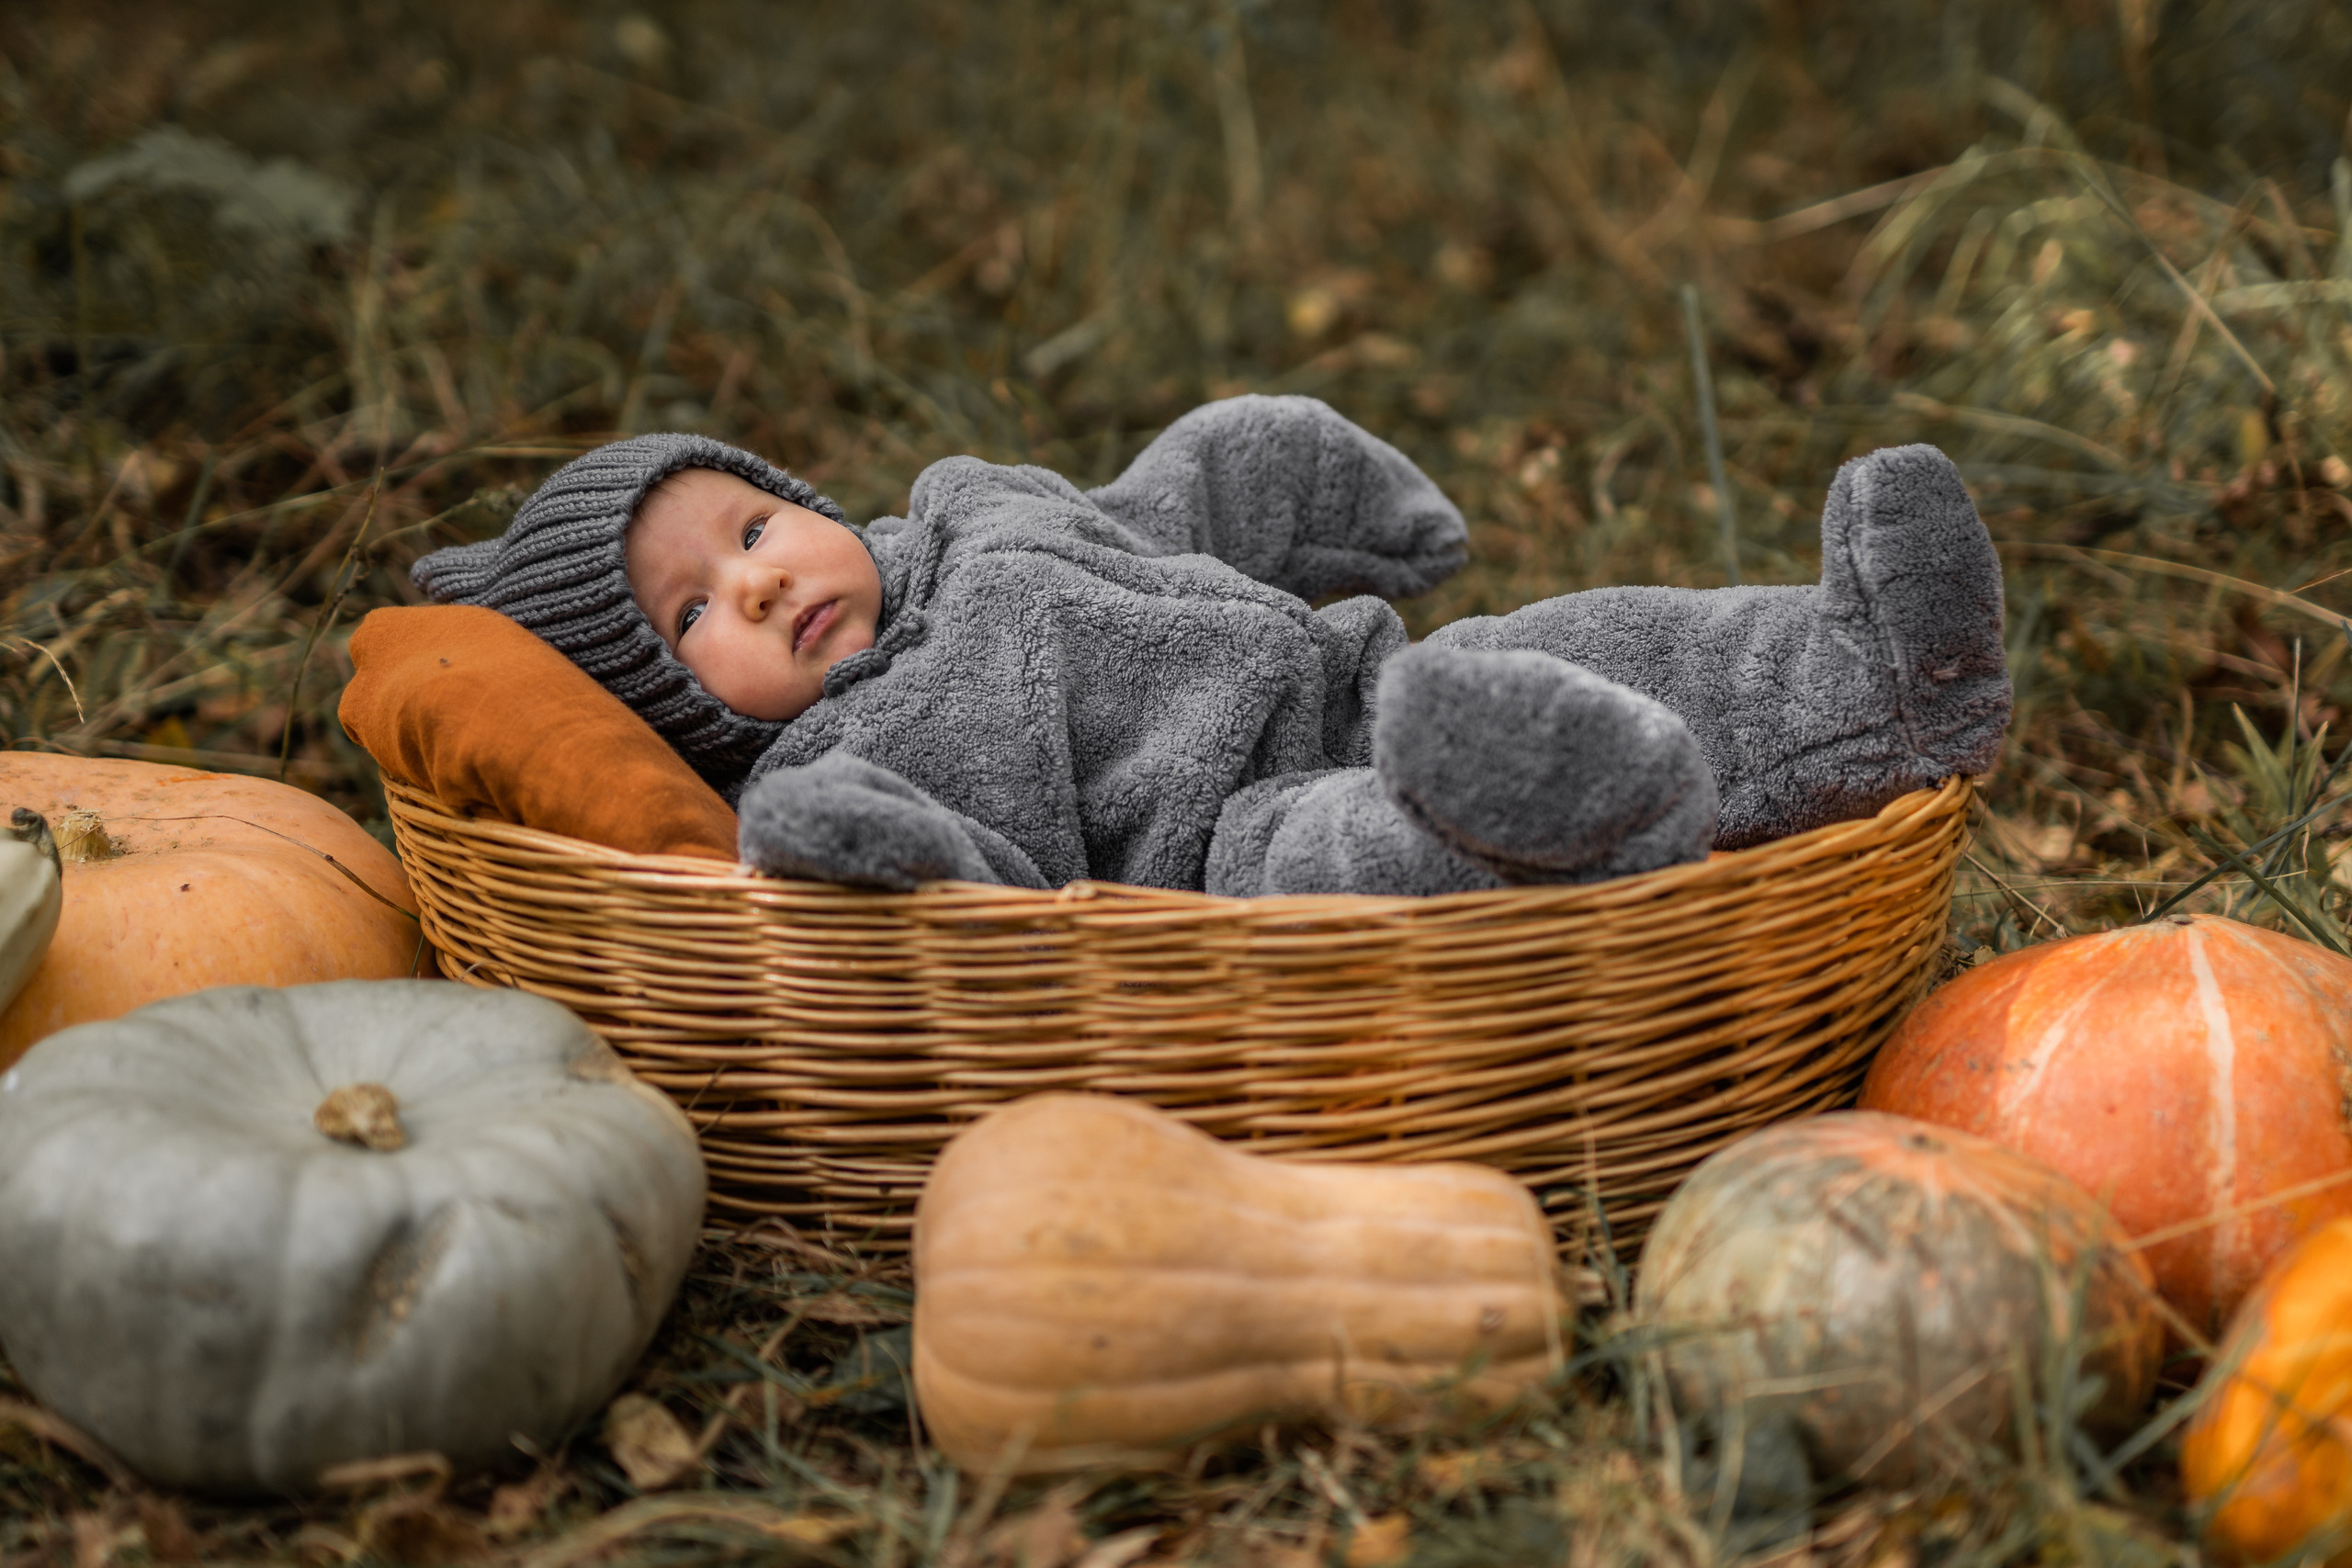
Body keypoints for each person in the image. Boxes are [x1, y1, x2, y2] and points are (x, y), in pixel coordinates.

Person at [412, 396, 2008, 896]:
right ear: (685, 711)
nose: (752, 590)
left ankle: (1881, 679)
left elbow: (1163, 503)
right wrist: (860, 847)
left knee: (1592, 634)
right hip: (1221, 847)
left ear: (796, 502)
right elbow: (978, 896)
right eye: (691, 619)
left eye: (749, 535)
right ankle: (1563, 817)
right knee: (1367, 855)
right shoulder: (832, 756)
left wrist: (1281, 460)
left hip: (1357, 676)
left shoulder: (976, 509)